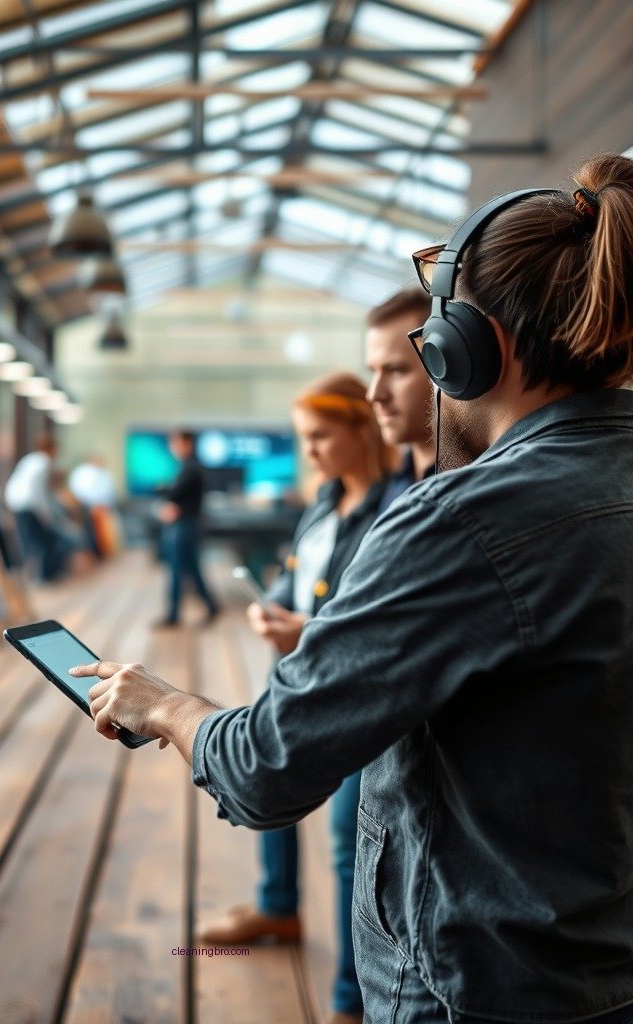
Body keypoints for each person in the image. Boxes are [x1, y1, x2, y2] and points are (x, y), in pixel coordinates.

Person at [71, 154, 633, 1024]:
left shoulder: (461, 519)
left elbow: (264, 771)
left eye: (432, 334)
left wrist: (164, 705)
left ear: (467, 346)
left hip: (475, 997)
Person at [199, 373, 395, 1024]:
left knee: (348, 840)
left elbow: (383, 625)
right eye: (302, 438)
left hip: (353, 696)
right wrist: (276, 611)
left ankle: (349, 999)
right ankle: (278, 908)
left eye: (319, 437)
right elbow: (296, 580)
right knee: (272, 792)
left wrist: (304, 630)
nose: (308, 451)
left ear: (361, 431)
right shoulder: (325, 502)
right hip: (295, 677)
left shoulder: (399, 510)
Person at [364, 288, 437, 506]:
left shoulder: (473, 485)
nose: (374, 394)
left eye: (395, 370)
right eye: (373, 372)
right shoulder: (396, 482)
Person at [153, 429, 219, 627]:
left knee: (177, 570)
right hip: (186, 525)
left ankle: (173, 615)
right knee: (191, 569)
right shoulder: (187, 467)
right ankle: (211, 606)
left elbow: (175, 493)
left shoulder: (190, 468)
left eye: (176, 443)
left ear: (187, 443)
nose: (172, 448)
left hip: (185, 527)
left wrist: (162, 488)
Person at [4, 434, 85, 582]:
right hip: (28, 505)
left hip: (16, 503)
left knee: (30, 543)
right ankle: (42, 577)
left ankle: (36, 577)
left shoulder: (30, 459)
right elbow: (38, 492)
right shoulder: (44, 462)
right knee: (40, 543)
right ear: (51, 448)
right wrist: (45, 514)